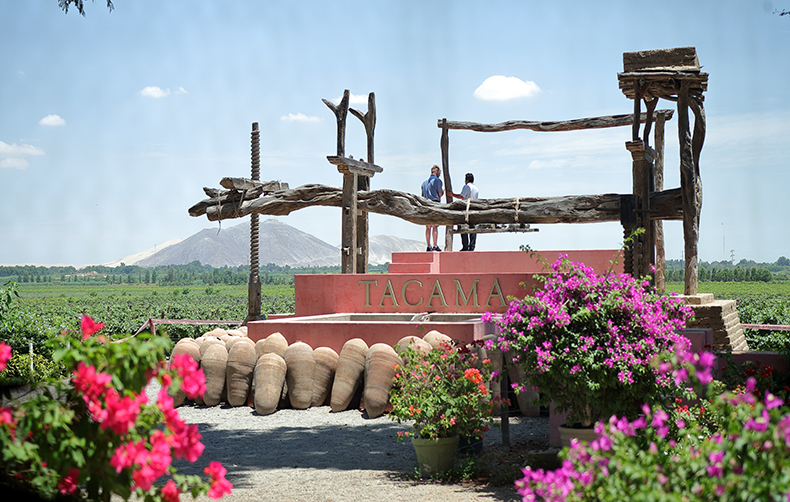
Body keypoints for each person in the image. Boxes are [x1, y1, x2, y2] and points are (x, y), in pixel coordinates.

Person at [449, 173, 479, 251]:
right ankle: (472, 246)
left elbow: (462, 196)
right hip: (474, 209)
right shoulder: (476, 188)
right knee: (473, 228)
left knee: (462, 227)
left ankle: (465, 246)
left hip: (466, 209)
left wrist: (452, 195)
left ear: (467, 180)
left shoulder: (466, 187)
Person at [420, 165, 444, 251]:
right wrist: (443, 190)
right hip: (434, 203)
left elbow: (422, 196)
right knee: (435, 226)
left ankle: (428, 245)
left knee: (427, 227)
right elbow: (440, 193)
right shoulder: (438, 181)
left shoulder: (424, 183)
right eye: (439, 172)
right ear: (436, 171)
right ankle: (435, 245)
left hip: (426, 204)